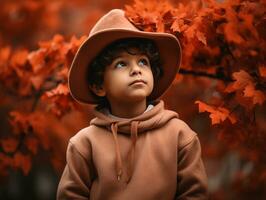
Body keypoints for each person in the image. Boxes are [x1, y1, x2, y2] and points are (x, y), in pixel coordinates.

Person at [57, 9, 208, 200]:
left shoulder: (180, 135)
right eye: (121, 64)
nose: (136, 70)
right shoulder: (84, 144)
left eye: (143, 62)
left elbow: (195, 194)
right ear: (99, 86)